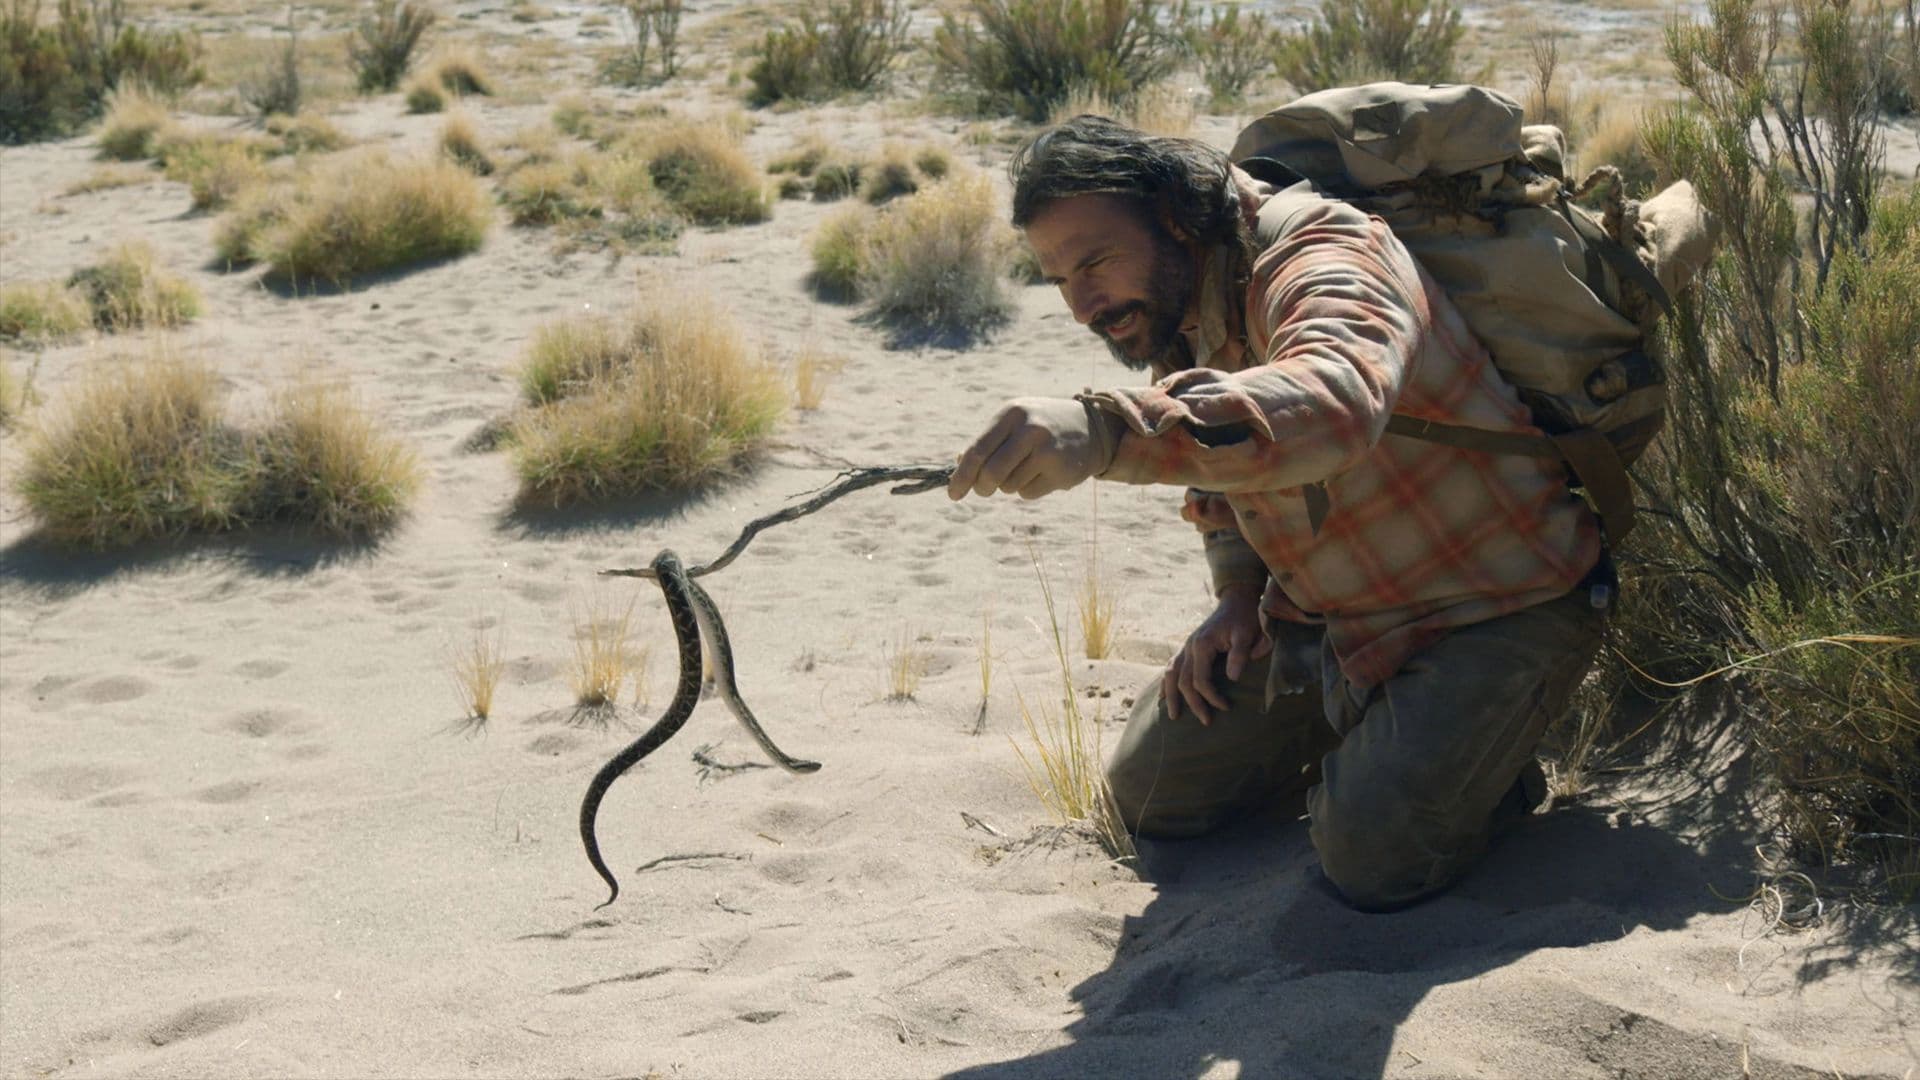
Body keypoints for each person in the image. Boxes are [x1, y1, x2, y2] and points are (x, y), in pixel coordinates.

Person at [946, 115, 1609, 912]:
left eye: (1095, 263)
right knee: (1151, 795)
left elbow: (1334, 405)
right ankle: (1388, 737)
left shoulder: (1325, 252)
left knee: (1370, 859)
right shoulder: (1175, 299)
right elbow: (1222, 481)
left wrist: (1109, 430)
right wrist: (1235, 595)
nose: (1084, 306)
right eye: (1059, 282)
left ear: (1174, 219)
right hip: (1326, 620)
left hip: (1496, 602)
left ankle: (1472, 767)